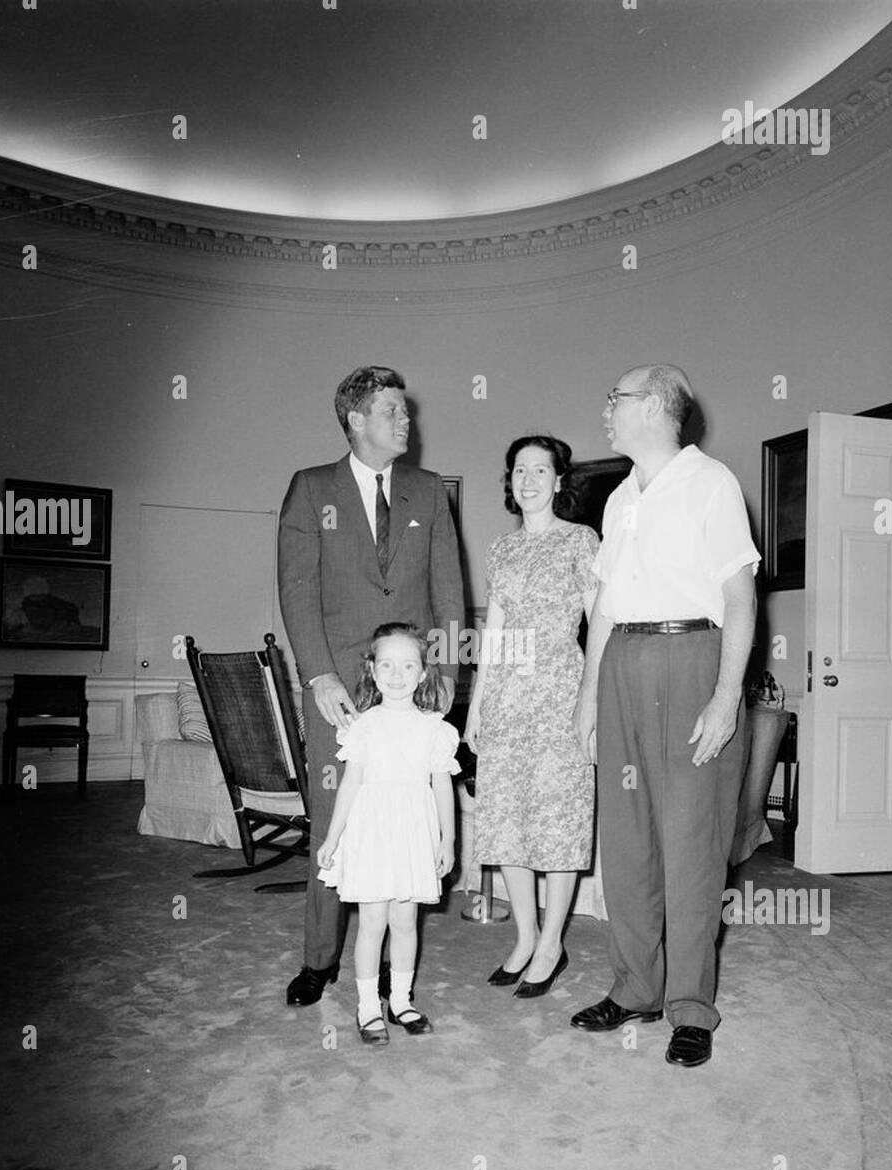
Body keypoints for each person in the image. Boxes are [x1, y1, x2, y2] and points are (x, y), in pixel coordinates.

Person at [572, 365, 759, 1069]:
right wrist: (588, 696)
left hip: (693, 660)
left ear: (651, 406)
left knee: (689, 845)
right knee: (625, 841)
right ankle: (635, 988)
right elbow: (605, 609)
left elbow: (739, 597)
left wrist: (726, 694)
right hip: (623, 661)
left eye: (613, 398)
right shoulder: (619, 497)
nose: (606, 410)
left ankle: (689, 1007)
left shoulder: (711, 484)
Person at [278, 367, 465, 1007]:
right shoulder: (311, 489)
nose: (406, 420)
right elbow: (297, 589)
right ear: (356, 419)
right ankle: (320, 959)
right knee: (337, 819)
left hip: (410, 685)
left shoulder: (428, 490)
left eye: (405, 409)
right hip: (335, 684)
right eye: (392, 410)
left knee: (406, 821)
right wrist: (320, 673)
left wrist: (444, 672)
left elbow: (448, 589)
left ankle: (393, 970)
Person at [463, 436, 598, 998]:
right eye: (519, 469)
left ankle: (552, 946)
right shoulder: (502, 549)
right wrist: (476, 704)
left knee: (558, 820)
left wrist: (590, 704)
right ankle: (524, 937)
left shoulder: (581, 541)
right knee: (508, 821)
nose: (529, 479)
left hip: (561, 692)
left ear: (559, 481)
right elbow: (493, 634)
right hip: (507, 700)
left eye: (541, 469)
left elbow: (601, 624)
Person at [316, 624, 459, 1044]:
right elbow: (349, 786)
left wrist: (447, 839)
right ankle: (366, 1006)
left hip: (414, 835)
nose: (397, 674)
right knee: (372, 922)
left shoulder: (435, 728)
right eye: (387, 665)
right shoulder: (363, 725)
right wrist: (331, 838)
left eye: (408, 665)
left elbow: (442, 787)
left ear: (422, 674)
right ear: (373, 672)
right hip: (372, 834)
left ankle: (400, 1000)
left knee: (405, 920)